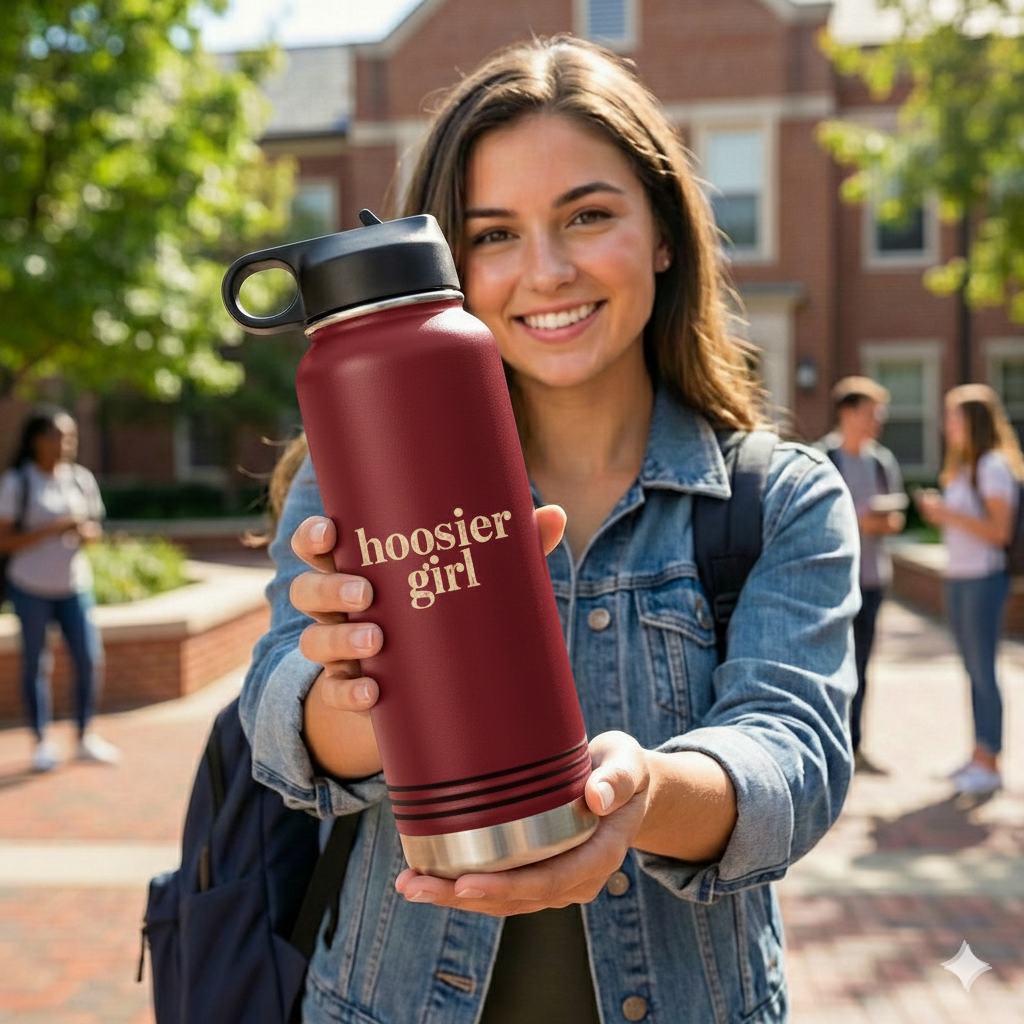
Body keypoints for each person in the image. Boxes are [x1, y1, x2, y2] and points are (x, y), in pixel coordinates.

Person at [241, 36, 859, 1024]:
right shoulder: (351, 474)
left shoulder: (777, 498)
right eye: (493, 234)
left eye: (588, 215)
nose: (548, 270)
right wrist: (358, 681)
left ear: (664, 233)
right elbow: (279, 723)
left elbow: (795, 759)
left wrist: (641, 794)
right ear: (446, 268)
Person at [915, 384, 1023, 797]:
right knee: (972, 671)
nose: (946, 425)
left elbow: (999, 531)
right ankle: (978, 754)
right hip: (959, 578)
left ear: (974, 421)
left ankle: (990, 761)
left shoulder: (993, 466)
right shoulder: (964, 466)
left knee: (983, 670)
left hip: (984, 579)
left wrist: (947, 514)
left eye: (953, 417)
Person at [0, 406, 118, 772]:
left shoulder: (80, 479)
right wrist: (54, 528)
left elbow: (94, 529)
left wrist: (86, 534)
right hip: (30, 586)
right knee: (36, 664)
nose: (66, 443)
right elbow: (4, 542)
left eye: (71, 436)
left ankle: (83, 736)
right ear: (37, 439)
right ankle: (41, 741)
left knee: (88, 659)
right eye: (58, 436)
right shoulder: (18, 482)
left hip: (74, 585)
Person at [820, 376, 905, 774]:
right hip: (830, 585)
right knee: (826, 669)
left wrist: (881, 522)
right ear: (847, 413)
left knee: (862, 667)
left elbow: (896, 519)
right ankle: (826, 748)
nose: (878, 421)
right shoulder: (823, 460)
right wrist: (858, 520)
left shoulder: (881, 462)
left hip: (871, 581)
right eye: (872, 413)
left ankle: (854, 747)